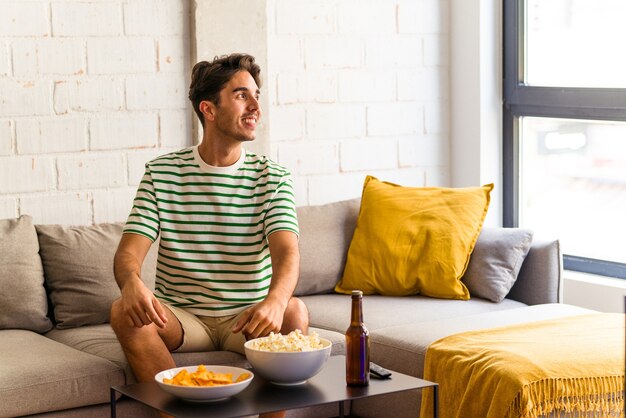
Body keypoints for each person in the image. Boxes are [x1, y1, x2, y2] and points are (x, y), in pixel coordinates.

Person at [110, 53, 308, 418]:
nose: (255, 107)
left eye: (257, 96)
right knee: (124, 310)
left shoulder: (273, 177)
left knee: (295, 311)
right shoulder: (162, 173)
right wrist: (131, 283)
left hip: (248, 317)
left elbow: (287, 254)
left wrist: (277, 301)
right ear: (209, 109)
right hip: (184, 319)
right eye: (241, 95)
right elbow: (128, 255)